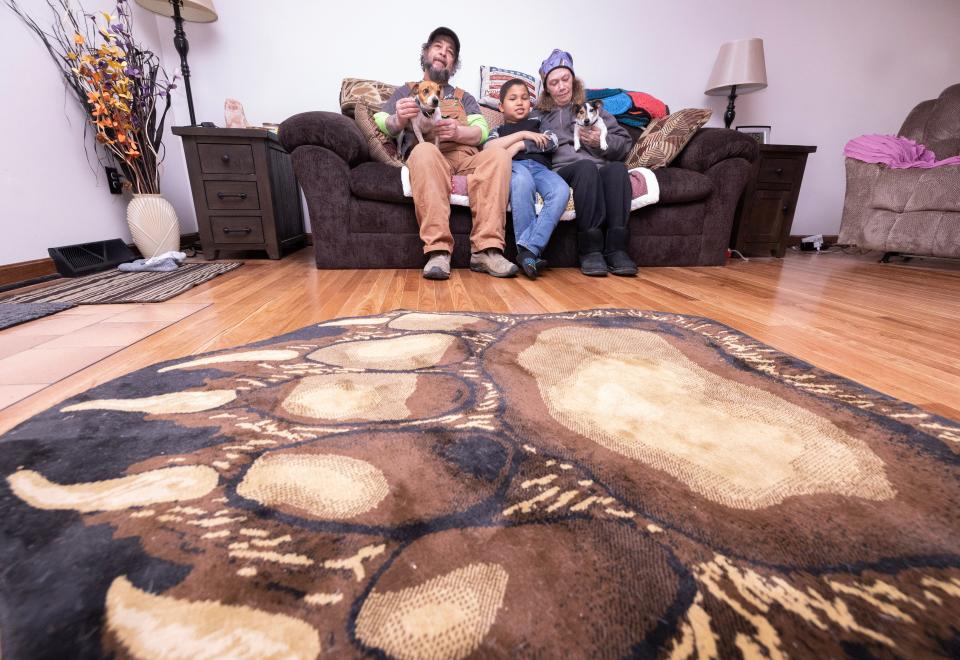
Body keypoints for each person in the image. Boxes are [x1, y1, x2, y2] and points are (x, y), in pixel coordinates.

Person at [375, 27, 517, 280]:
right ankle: (438, 252)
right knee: (425, 151)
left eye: (450, 52)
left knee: (499, 157)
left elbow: (482, 131)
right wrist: (398, 118)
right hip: (429, 156)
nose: (444, 53)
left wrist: (459, 132)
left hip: (465, 157)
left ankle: (487, 252)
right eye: (438, 47)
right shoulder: (405, 91)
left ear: (454, 63)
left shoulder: (465, 97)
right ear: (426, 52)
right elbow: (383, 121)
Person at [537, 49, 638, 277]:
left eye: (565, 79)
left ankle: (616, 249)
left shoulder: (593, 110)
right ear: (547, 88)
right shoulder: (540, 115)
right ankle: (590, 250)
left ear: (574, 80)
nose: (562, 87)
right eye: (554, 82)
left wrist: (599, 141)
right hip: (565, 171)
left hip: (599, 166)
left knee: (617, 170)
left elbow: (624, 143)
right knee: (586, 168)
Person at [483, 79, 567, 279]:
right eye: (513, 99)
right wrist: (522, 135)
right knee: (522, 182)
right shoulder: (498, 131)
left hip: (541, 169)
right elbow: (488, 148)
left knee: (561, 190)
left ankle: (529, 249)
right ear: (502, 107)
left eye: (524, 98)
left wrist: (521, 145)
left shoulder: (538, 123)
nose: (520, 102)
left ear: (531, 103)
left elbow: (553, 142)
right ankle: (527, 255)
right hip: (515, 167)